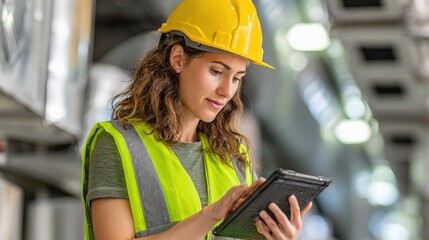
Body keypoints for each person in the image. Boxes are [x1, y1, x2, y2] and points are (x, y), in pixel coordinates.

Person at [81, 0, 312, 239]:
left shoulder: (233, 157)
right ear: (178, 59)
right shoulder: (118, 145)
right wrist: (210, 215)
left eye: (236, 78)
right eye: (217, 71)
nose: (226, 91)